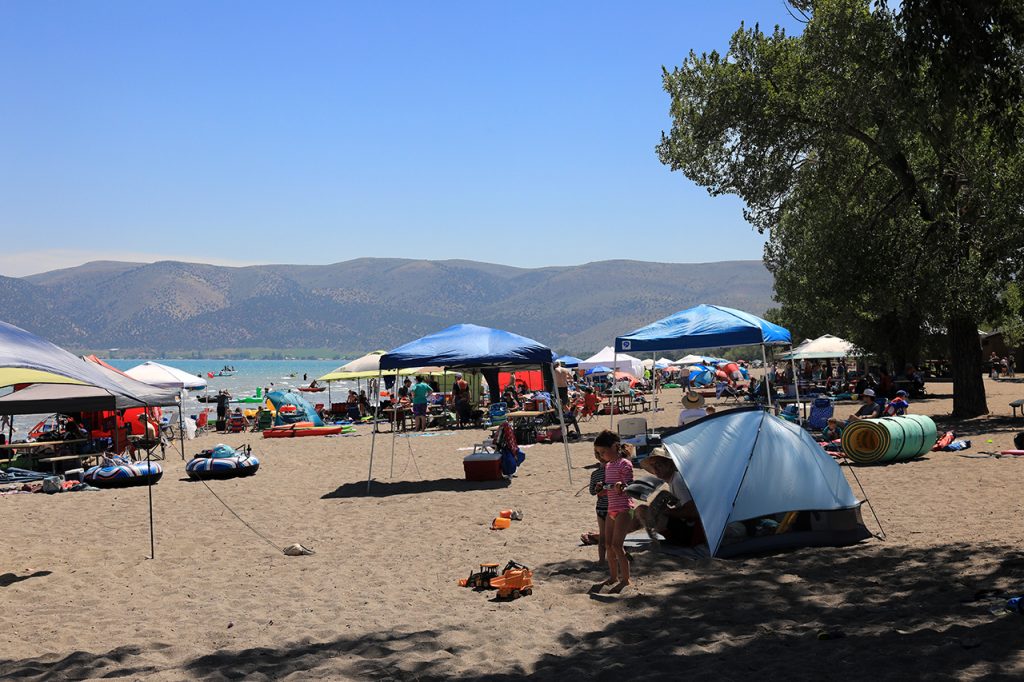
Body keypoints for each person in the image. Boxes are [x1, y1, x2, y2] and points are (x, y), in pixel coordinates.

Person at [594, 430, 636, 593]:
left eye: (603, 452)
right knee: (608, 545)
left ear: (615, 447)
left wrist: (621, 485)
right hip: (611, 508)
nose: (601, 456)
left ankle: (626, 579)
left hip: (624, 509)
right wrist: (601, 489)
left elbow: (629, 486)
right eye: (599, 453)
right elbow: (607, 490)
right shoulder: (609, 466)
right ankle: (613, 577)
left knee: (617, 546)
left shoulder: (625, 463)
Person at [636, 448, 703, 547]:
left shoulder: (677, 481)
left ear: (669, 465)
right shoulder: (673, 480)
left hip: (691, 533)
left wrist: (667, 511)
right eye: (653, 466)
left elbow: (692, 511)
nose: (655, 469)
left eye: (659, 465)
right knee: (645, 511)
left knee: (642, 510)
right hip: (689, 530)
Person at [585, 448, 610, 564]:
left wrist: (598, 489)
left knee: (603, 535)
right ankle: (615, 559)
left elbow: (591, 492)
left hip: (600, 507)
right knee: (614, 536)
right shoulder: (613, 471)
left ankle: (601, 560)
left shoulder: (595, 474)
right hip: (611, 507)